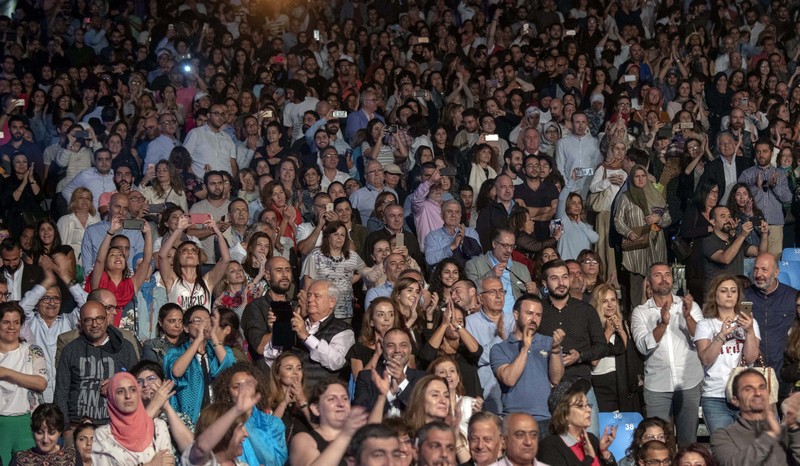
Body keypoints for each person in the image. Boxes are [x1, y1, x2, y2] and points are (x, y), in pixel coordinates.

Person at [631, 263, 704, 447]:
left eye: (667, 274)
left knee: (688, 442)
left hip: (688, 382)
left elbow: (702, 339)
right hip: (657, 386)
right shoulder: (640, 312)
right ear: (649, 281)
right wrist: (662, 324)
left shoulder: (689, 306)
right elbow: (642, 346)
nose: (664, 279)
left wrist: (688, 318)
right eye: (657, 275)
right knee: (659, 443)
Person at [54, 301, 138, 433]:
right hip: (77, 426)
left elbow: (136, 384)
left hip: (115, 424)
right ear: (80, 323)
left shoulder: (125, 348)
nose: (94, 324)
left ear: (107, 320)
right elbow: (61, 392)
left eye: (99, 319)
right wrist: (65, 428)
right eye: (88, 320)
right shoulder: (70, 350)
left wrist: (116, 383)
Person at [491, 291, 566, 435]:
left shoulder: (548, 342)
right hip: (514, 420)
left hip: (545, 419)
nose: (534, 319)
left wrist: (555, 350)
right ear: (516, 314)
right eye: (529, 313)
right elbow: (509, 379)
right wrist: (525, 348)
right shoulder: (500, 348)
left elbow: (556, 379)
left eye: (538, 315)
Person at [695, 275, 761, 434]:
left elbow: (751, 358)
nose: (729, 295)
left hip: (745, 394)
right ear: (714, 296)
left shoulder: (750, 323)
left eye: (733, 291)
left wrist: (750, 331)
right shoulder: (705, 325)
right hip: (715, 396)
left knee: (747, 446)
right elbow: (705, 359)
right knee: (723, 448)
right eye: (724, 291)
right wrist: (721, 335)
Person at [263, 279, 356, 388]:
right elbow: (272, 360)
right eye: (309, 295)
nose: (310, 299)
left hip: (322, 396)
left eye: (317, 296)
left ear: (332, 302)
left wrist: (306, 336)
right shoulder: (294, 325)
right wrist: (278, 332)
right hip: (291, 394)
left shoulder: (344, 331)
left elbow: (336, 362)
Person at [711, 369, 800, 465]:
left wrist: (794, 429)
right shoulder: (723, 436)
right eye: (748, 389)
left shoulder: (787, 433)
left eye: (762, 387)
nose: (758, 393)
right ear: (735, 400)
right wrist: (770, 436)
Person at [164, 305, 236, 423]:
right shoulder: (176, 352)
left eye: (207, 320)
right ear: (186, 328)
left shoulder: (218, 350)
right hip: (188, 418)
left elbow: (231, 369)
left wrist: (213, 335)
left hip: (216, 415)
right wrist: (198, 340)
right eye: (198, 320)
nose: (204, 324)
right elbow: (176, 372)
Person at [210, 363, 289, 466]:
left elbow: (275, 461)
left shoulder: (274, 423)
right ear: (227, 393)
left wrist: (247, 418)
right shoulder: (218, 424)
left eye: (248, 386)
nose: (244, 392)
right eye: (236, 387)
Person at [614, 164, 670, 306]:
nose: (640, 179)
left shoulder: (656, 195)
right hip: (636, 245)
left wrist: (658, 219)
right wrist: (629, 232)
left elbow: (668, 218)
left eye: (643, 176)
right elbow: (618, 220)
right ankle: (636, 318)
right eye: (637, 176)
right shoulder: (626, 197)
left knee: (656, 279)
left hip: (656, 243)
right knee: (637, 284)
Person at [0, 302, 48, 465]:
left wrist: (7, 373)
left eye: (16, 322)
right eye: (6, 322)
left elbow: (41, 383)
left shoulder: (32, 351)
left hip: (26, 422)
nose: (11, 327)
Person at [91, 372, 173, 465]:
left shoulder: (158, 426)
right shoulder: (102, 435)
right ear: (112, 398)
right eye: (120, 392)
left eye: (133, 390)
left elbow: (167, 463)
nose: (128, 396)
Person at [180, 374, 261, 466]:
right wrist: (236, 410)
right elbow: (201, 447)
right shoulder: (201, 462)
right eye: (240, 428)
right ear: (225, 432)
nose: (246, 434)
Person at [745, 253, 798, 394]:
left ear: (776, 272)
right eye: (756, 269)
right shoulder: (744, 296)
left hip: (784, 373)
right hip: (753, 372)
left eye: (764, 269)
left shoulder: (792, 297)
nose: (758, 274)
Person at [289, 380, 372, 466]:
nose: (341, 404)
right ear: (316, 409)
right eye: (332, 399)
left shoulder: (360, 439)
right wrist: (345, 435)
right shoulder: (303, 439)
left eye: (345, 398)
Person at [158, 214, 231, 310]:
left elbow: (226, 259)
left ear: (198, 260)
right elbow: (162, 256)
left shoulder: (207, 281)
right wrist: (179, 230)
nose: (189, 253)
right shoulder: (172, 280)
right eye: (184, 251)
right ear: (178, 259)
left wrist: (217, 232)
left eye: (194, 251)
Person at [536, 379, 617, 466]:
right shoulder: (549, 446)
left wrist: (605, 453)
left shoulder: (592, 439)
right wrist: (588, 459)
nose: (589, 410)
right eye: (580, 405)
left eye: (587, 404)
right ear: (564, 413)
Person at [466, 277, 516, 414]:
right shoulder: (469, 323)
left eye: (501, 291)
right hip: (488, 393)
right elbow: (478, 356)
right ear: (480, 298)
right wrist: (499, 338)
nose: (499, 296)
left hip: (515, 393)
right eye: (493, 292)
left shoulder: (514, 320)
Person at [590, 283, 642, 413]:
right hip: (600, 384)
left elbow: (630, 355)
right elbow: (594, 361)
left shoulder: (624, 324)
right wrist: (607, 332)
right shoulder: (591, 326)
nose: (610, 305)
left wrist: (621, 332)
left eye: (613, 300)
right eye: (605, 301)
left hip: (622, 382)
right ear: (598, 304)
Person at [301, 221, 365, 320]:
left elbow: (363, 271)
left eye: (343, 235)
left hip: (345, 312)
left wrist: (348, 281)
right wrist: (305, 309)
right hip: (321, 311)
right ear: (328, 236)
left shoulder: (352, 256)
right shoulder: (315, 255)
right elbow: (307, 286)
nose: (339, 238)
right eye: (336, 234)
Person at [737, 140, 791, 257]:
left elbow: (788, 199)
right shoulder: (747, 174)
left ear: (771, 153)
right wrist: (756, 187)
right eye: (758, 152)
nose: (761, 155)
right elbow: (739, 199)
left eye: (765, 151)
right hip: (753, 224)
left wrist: (775, 186)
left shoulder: (780, 174)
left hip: (774, 224)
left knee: (773, 263)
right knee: (753, 262)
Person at [353, 327, 426, 415]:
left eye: (403, 345)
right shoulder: (366, 377)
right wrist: (389, 394)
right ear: (382, 348)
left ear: (410, 349)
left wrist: (403, 382)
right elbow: (360, 413)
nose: (397, 350)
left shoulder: (423, 378)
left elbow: (423, 409)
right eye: (391, 345)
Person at [465, 229, 535, 317]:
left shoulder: (522, 269)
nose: (509, 250)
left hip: (516, 320)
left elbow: (533, 299)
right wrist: (491, 275)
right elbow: (469, 292)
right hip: (488, 319)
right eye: (505, 246)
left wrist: (535, 292)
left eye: (512, 246)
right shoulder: (474, 264)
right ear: (494, 244)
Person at [702, 206, 768, 295]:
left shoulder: (735, 240)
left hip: (736, 293)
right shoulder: (708, 241)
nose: (728, 219)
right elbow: (725, 259)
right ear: (713, 222)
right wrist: (742, 235)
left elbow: (760, 253)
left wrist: (764, 234)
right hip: (716, 295)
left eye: (729, 216)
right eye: (723, 216)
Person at [241, 256, 295, 361]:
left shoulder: (297, 307)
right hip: (267, 371)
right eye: (279, 270)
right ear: (267, 276)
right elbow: (260, 347)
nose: (285, 275)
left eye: (287, 270)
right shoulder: (255, 307)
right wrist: (281, 327)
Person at [8, 404, 80, 466]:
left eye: (51, 433)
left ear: (60, 432)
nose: (45, 439)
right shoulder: (19, 459)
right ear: (33, 431)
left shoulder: (72, 457)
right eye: (39, 432)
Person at [424, 200, 482, 268]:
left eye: (457, 212)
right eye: (449, 212)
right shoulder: (432, 236)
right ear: (442, 215)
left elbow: (479, 258)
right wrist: (451, 247)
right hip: (444, 275)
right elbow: (430, 259)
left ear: (460, 215)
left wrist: (465, 241)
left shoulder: (471, 233)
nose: (453, 215)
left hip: (468, 275)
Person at [57, 187, 101, 261]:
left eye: (88, 198)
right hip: (71, 263)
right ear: (74, 201)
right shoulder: (64, 220)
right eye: (81, 198)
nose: (84, 201)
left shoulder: (97, 220)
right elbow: (59, 246)